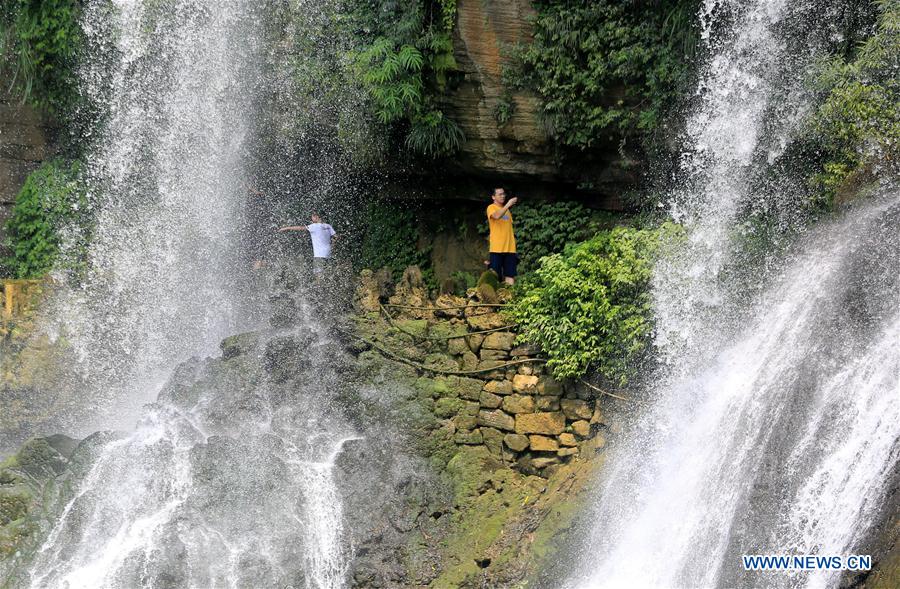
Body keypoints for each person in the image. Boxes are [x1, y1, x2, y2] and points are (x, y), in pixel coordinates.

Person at [486, 187, 518, 285]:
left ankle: (510, 299)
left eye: (503, 194)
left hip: (510, 248)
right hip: (497, 248)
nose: (503, 196)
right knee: (494, 276)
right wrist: (508, 204)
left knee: (510, 275)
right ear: (493, 197)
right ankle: (494, 299)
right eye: (500, 194)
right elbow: (496, 216)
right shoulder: (491, 207)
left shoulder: (507, 211)